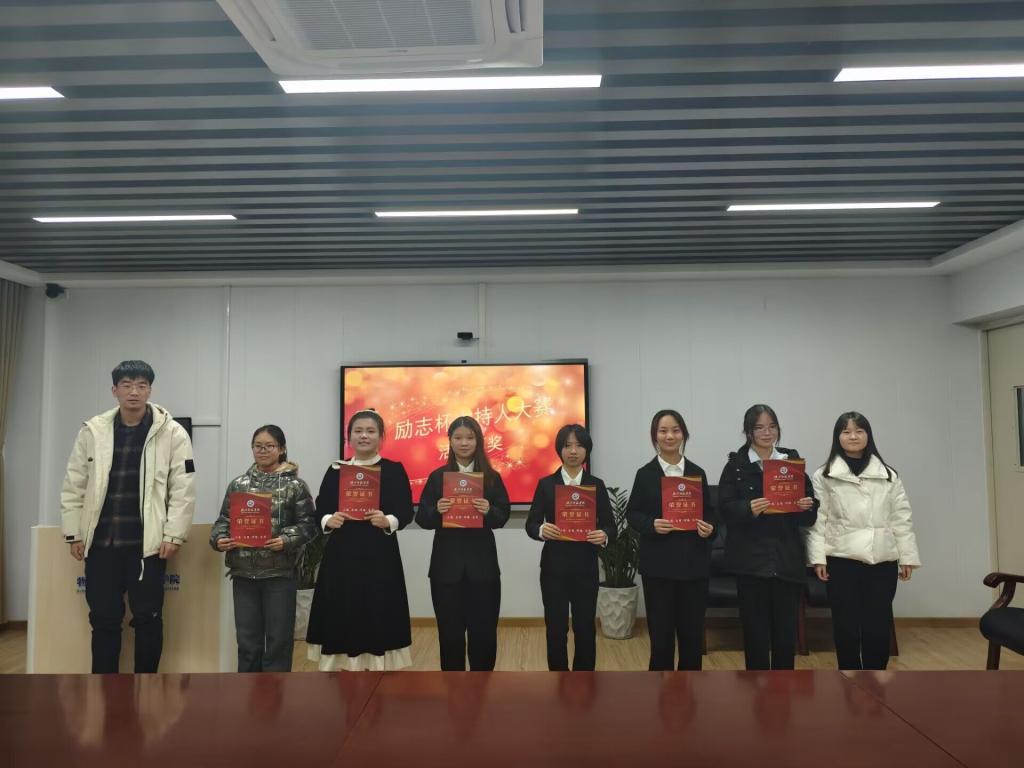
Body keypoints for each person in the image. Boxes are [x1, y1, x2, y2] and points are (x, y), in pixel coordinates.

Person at [60, 360, 196, 673]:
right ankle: (104, 688)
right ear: (114, 390)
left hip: (147, 547)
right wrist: (73, 533)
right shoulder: (93, 431)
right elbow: (74, 484)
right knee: (103, 620)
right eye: (127, 385)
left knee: (148, 618)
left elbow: (184, 488)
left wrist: (174, 534)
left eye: (141, 385)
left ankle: (146, 687)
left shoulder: (172, 433)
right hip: (101, 545)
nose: (134, 392)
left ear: (150, 390)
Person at [806, 411, 921, 670]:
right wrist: (818, 559)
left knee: (878, 622)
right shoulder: (824, 475)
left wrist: (907, 557)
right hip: (841, 559)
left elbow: (901, 518)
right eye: (846, 432)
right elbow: (818, 520)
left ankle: (876, 679)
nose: (853, 436)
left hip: (882, 559)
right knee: (845, 623)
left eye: (859, 431)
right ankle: (848, 676)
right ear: (837, 437)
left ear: (868, 435)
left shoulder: (888, 475)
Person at [305, 409, 415, 671]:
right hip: (341, 554)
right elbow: (320, 508)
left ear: (381, 437)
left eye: (370, 431)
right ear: (349, 437)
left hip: (380, 553)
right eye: (358, 431)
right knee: (342, 606)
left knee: (377, 606)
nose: (364, 436)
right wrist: (328, 519)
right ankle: (344, 664)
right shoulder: (336, 470)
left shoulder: (393, 470)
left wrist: (388, 520)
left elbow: (405, 511)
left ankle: (377, 665)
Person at [717, 404, 817, 670]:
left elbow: (810, 515)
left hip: (786, 558)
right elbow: (724, 509)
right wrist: (747, 508)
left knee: (785, 633)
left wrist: (807, 505)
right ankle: (756, 686)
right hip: (750, 561)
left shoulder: (791, 462)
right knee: (755, 632)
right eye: (759, 427)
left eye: (772, 426)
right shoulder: (736, 466)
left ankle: (784, 688)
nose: (767, 432)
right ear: (748, 431)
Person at [210, 425, 317, 672]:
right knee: (247, 642)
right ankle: (247, 692)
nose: (263, 450)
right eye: (258, 446)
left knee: (278, 642)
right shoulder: (238, 484)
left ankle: (276, 693)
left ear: (282, 449)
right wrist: (219, 539)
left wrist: (286, 539)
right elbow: (223, 521)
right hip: (243, 573)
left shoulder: (296, 486)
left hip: (280, 574)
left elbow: (308, 526)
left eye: (269, 446)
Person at [416, 416, 511, 671]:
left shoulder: (491, 477)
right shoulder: (438, 477)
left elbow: (503, 516)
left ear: (478, 441)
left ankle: (483, 684)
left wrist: (489, 510)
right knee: (449, 634)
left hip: (483, 568)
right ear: (449, 441)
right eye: (458, 438)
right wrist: (436, 510)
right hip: (446, 569)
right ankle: (453, 687)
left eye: (470, 437)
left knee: (484, 633)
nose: (464, 443)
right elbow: (422, 518)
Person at [627, 409, 717, 671]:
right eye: (663, 431)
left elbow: (710, 513)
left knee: (692, 637)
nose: (669, 436)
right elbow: (633, 514)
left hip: (693, 566)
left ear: (684, 434)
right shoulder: (645, 474)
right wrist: (652, 524)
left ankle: (691, 689)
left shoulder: (697, 473)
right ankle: (660, 690)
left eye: (675, 430)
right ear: (654, 436)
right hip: (659, 567)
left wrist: (709, 528)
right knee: (661, 638)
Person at [526, 424, 616, 671]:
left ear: (587, 450)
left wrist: (604, 535)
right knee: (556, 628)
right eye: (567, 446)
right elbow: (531, 523)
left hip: (585, 567)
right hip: (553, 568)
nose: (573, 451)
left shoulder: (596, 485)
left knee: (585, 627)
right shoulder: (546, 485)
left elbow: (610, 525)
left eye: (579, 445)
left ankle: (584, 680)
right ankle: (558, 678)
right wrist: (541, 530)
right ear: (560, 450)